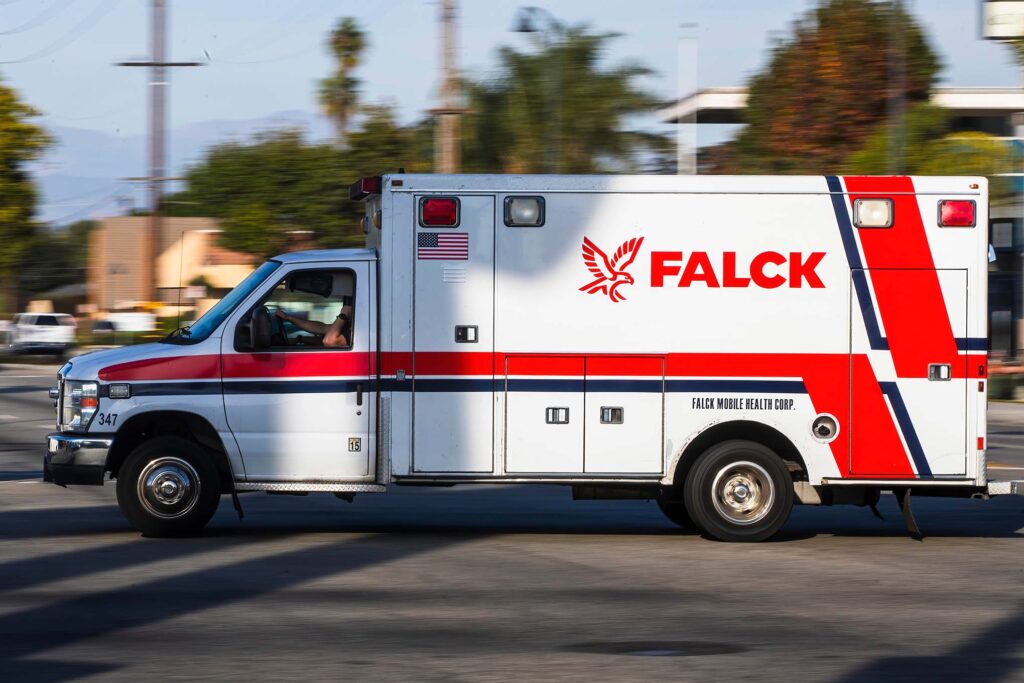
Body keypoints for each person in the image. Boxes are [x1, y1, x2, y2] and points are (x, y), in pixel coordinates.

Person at [275, 303, 352, 348]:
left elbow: (329, 342)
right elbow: (322, 328)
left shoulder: (354, 332)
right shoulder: (348, 326)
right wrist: (288, 317)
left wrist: (343, 314)